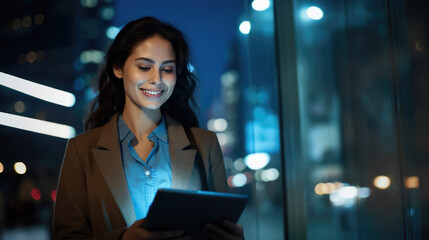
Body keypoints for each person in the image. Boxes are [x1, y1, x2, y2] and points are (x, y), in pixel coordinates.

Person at [52, 17, 244, 240]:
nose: (157, 79)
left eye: (168, 69)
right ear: (118, 68)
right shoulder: (80, 150)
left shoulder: (205, 144)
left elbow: (221, 225)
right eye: (144, 67)